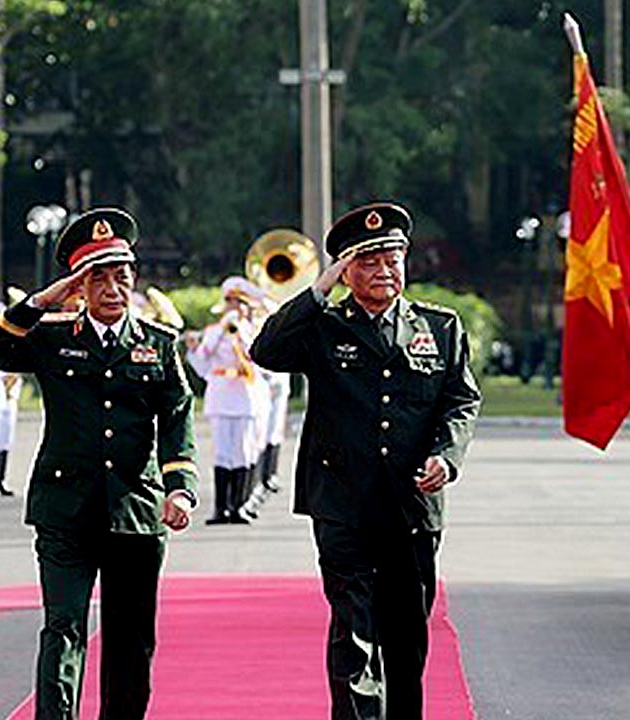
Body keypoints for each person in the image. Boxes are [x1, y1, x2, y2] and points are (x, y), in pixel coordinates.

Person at [251, 201, 481, 719]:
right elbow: (266, 351)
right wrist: (318, 289)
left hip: (411, 505)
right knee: (353, 630)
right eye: (368, 262)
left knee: (406, 635)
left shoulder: (440, 327)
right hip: (343, 503)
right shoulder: (323, 326)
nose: (383, 271)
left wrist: (446, 457)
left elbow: (461, 401)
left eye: (392, 260)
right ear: (345, 270)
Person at [0, 207, 199, 720]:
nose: (113, 289)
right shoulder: (51, 337)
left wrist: (180, 487)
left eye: (122, 276)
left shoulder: (158, 344)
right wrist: (42, 301)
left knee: (130, 635)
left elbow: (177, 418)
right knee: (64, 626)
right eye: (98, 278)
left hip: (135, 510)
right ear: (79, 284)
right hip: (65, 508)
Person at [185, 276, 268, 525]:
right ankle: (220, 508)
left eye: (240, 302)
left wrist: (240, 334)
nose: (235, 306)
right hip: (221, 395)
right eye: (231, 301)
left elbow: (259, 360)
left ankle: (239, 506)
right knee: (222, 453)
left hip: (244, 396)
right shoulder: (214, 331)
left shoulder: (252, 331)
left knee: (242, 451)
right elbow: (202, 362)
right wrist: (219, 332)